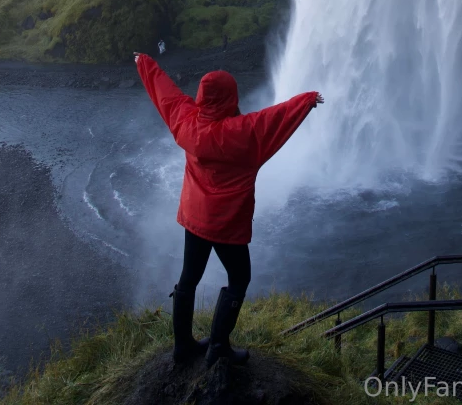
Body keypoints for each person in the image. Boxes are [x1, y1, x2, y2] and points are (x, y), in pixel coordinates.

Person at [134, 53, 322, 367]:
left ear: (202, 97)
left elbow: (167, 96)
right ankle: (218, 346)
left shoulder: (187, 123)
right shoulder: (244, 134)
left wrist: (146, 64)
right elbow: (274, 118)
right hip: (225, 224)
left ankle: (182, 347)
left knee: (189, 278)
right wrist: (305, 101)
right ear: (230, 97)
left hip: (194, 217)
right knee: (239, 278)